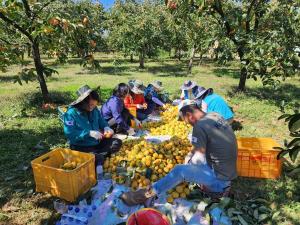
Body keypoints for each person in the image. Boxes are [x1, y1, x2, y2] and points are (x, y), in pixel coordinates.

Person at [120, 100, 237, 206]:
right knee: (192, 160)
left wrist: (189, 164)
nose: (186, 124)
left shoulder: (199, 126)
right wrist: (191, 154)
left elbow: (198, 159)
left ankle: (144, 195)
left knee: (179, 170)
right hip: (226, 173)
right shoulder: (214, 116)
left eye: (185, 120)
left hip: (218, 180)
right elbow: (204, 147)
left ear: (189, 116)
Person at [64, 85, 122, 166]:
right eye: (91, 105)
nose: (93, 107)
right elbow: (70, 134)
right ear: (82, 102)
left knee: (117, 142)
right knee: (98, 159)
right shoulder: (71, 114)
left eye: (94, 105)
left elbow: (101, 121)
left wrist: (106, 127)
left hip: (97, 143)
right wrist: (88, 133)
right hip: (81, 147)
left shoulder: (94, 110)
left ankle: (99, 156)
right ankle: (99, 157)